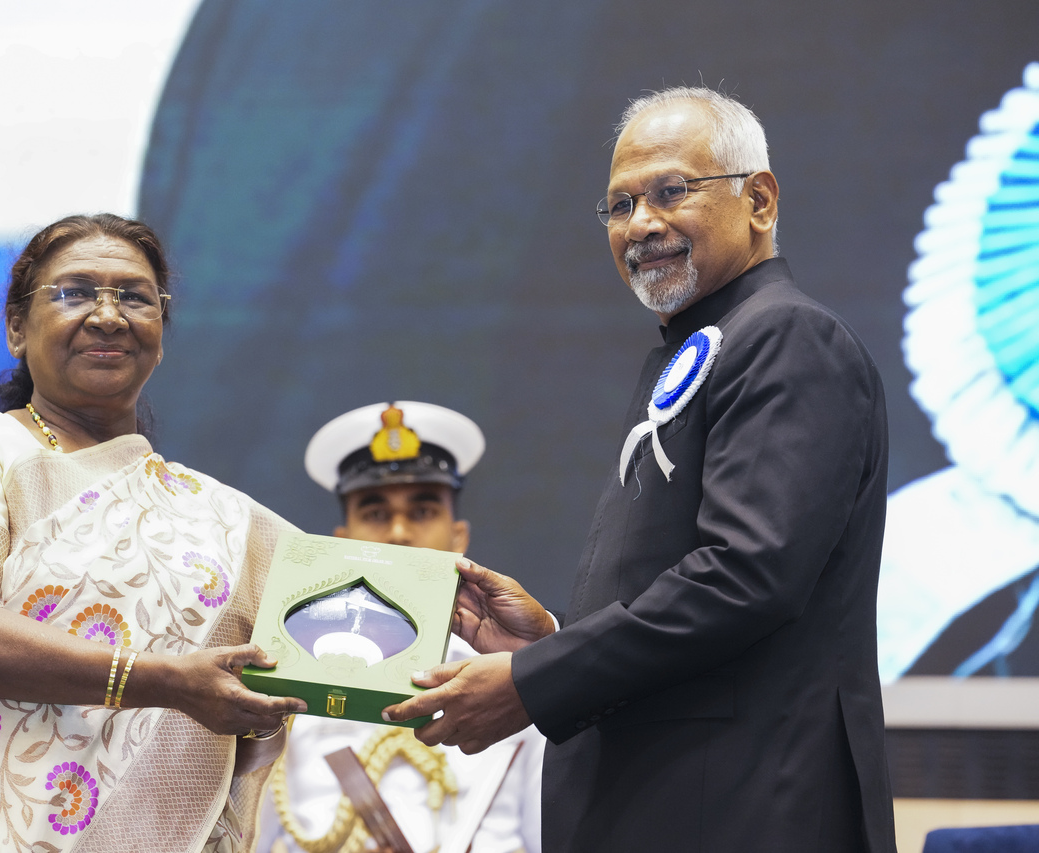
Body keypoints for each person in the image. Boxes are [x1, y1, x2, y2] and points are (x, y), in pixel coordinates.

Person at [383, 87, 898, 852]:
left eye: (670, 191)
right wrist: (549, 641)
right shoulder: (703, 343)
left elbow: (746, 575)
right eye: (620, 205)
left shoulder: (786, 336)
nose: (642, 224)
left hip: (746, 810)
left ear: (759, 199)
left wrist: (536, 683)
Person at [0, 213, 307, 853]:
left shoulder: (219, 515)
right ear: (17, 327)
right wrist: (163, 682)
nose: (108, 315)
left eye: (134, 296)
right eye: (74, 293)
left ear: (160, 330)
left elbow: (344, 615)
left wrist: (469, 628)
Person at [257, 402, 543, 853]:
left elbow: (550, 831)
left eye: (423, 511)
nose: (398, 533)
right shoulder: (288, 676)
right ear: (343, 538)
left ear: (458, 537)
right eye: (374, 513)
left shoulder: (512, 673)